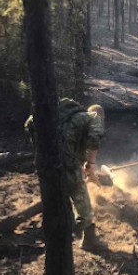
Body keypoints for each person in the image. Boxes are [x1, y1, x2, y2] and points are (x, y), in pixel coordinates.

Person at [24, 98, 105, 250]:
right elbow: (95, 137)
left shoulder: (65, 116)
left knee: (55, 191)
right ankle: (89, 238)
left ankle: (54, 229)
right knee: (79, 191)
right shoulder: (94, 117)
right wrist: (91, 165)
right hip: (65, 159)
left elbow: (29, 124)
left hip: (46, 158)